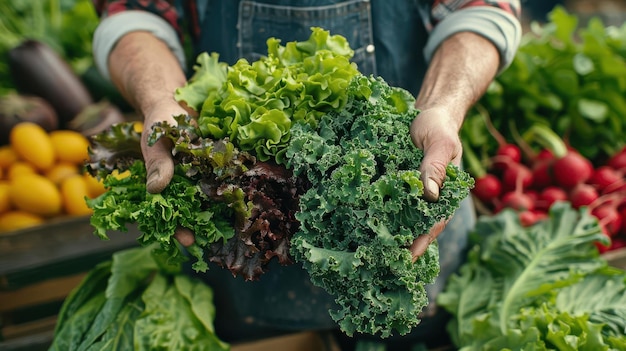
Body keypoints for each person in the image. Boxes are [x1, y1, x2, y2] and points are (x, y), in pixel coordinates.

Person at [91, 0, 522, 347]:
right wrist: (162, 102)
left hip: (406, 233)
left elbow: (483, 8)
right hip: (245, 271)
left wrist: (443, 108)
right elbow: (133, 12)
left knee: (415, 329)